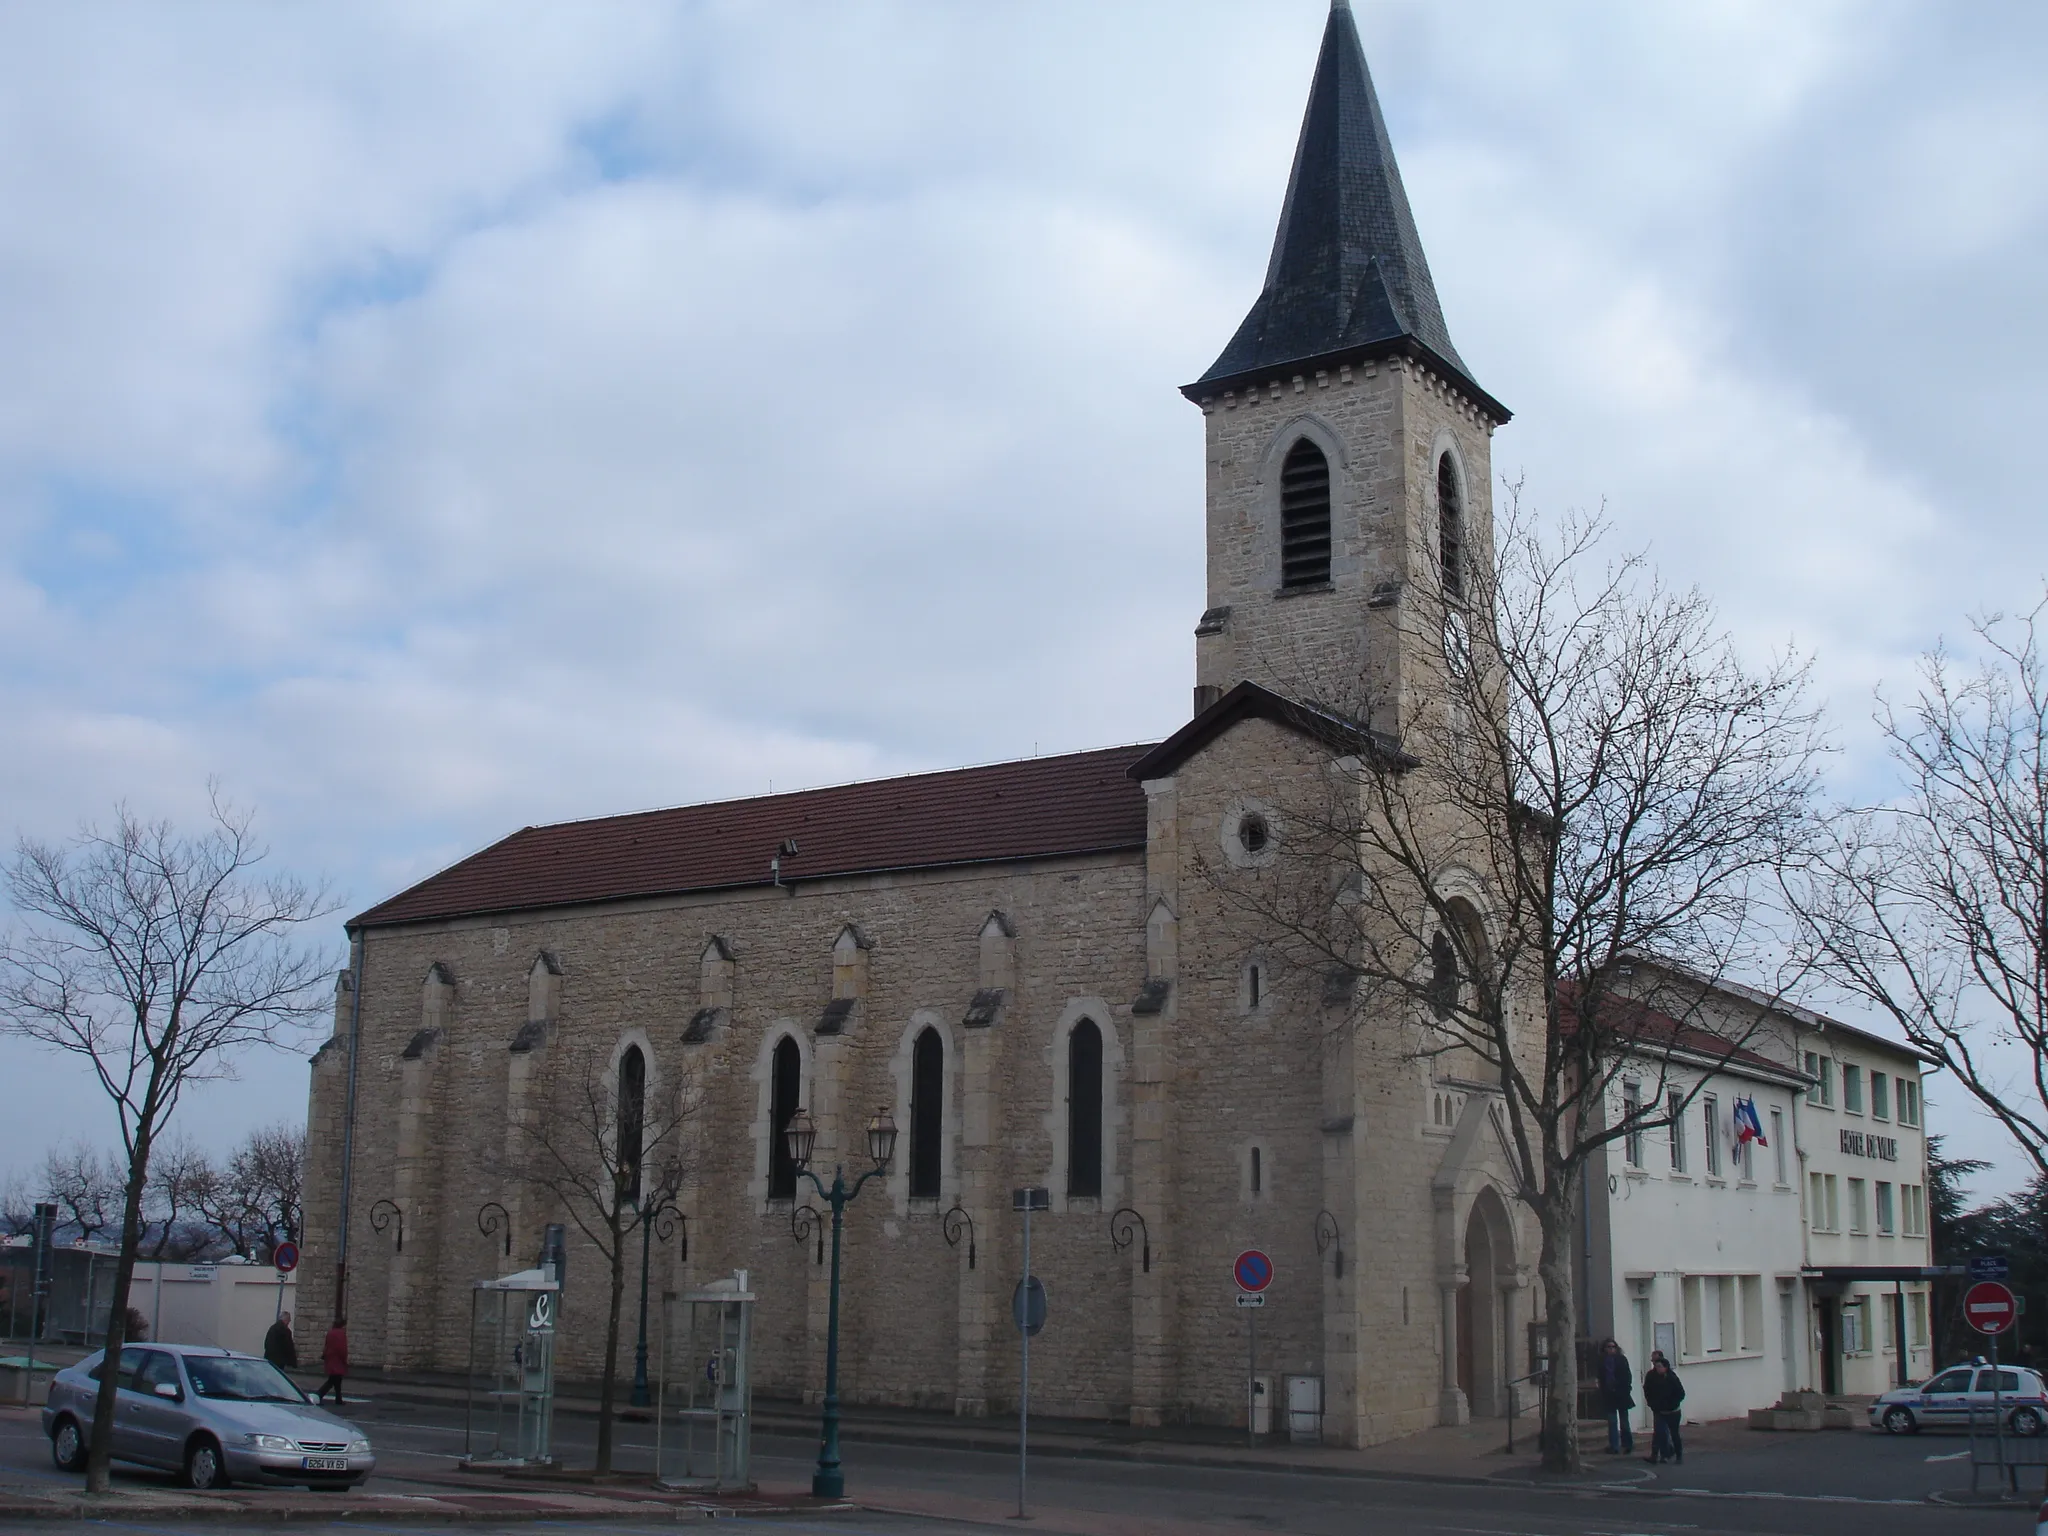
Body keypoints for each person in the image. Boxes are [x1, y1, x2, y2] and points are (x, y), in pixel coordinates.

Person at [1643, 1351, 1685, 1464]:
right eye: (1655, 1365)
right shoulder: (1651, 1376)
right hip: (1659, 1410)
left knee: (1674, 1433)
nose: (1657, 1368)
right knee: (1659, 1432)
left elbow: (1680, 1393)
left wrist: (1672, 1404)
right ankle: (1659, 1454)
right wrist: (1652, 1404)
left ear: (1665, 1367)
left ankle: (1678, 1455)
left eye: (1659, 1366)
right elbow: (1647, 1391)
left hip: (1673, 1411)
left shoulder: (1672, 1378)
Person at [1597, 1338, 1635, 1453]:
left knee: (1624, 1421)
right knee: (1612, 1421)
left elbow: (1627, 1376)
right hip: (1609, 1395)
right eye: (1608, 1347)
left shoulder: (1621, 1359)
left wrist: (1625, 1389)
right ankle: (1614, 1446)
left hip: (1621, 1394)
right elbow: (1601, 1377)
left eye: (1613, 1347)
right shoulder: (1602, 1361)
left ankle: (1627, 1444)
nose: (1611, 1349)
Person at [316, 1318, 349, 1406]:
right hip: (338, 1360)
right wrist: (344, 1360)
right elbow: (342, 1349)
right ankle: (319, 1395)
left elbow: (327, 1345)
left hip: (330, 1359)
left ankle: (338, 1398)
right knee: (333, 1381)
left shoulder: (330, 1333)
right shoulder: (341, 1334)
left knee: (336, 1380)